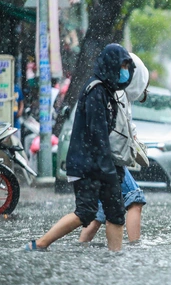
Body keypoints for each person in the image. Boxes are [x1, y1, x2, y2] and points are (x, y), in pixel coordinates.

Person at [24, 43, 135, 252]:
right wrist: (109, 171)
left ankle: (115, 258)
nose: (125, 71)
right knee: (86, 212)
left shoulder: (107, 90)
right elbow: (97, 135)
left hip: (98, 163)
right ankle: (40, 244)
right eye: (122, 65)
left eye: (128, 66)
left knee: (115, 212)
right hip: (89, 165)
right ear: (111, 65)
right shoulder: (97, 91)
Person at [79, 52, 149, 244]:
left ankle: (80, 246)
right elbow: (116, 131)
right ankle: (133, 247)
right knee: (135, 199)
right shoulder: (115, 93)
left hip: (102, 158)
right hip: (109, 159)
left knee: (99, 212)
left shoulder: (114, 91)